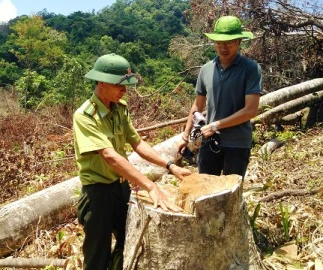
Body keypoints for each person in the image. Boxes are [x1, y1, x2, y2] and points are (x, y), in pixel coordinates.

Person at [73, 53, 191, 270]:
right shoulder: (85, 116)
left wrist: (169, 166)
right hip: (97, 195)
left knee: (128, 244)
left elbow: (138, 143)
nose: (124, 90)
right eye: (119, 85)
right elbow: (109, 156)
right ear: (101, 82)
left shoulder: (119, 109)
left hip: (121, 189)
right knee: (97, 256)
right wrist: (149, 185)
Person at [177, 15, 262, 179]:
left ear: (238, 42)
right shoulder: (206, 69)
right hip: (209, 142)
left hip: (237, 143)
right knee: (207, 190)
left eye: (229, 42)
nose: (223, 47)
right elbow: (197, 107)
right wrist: (185, 135)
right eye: (219, 42)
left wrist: (215, 125)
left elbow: (251, 110)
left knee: (231, 193)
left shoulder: (250, 69)